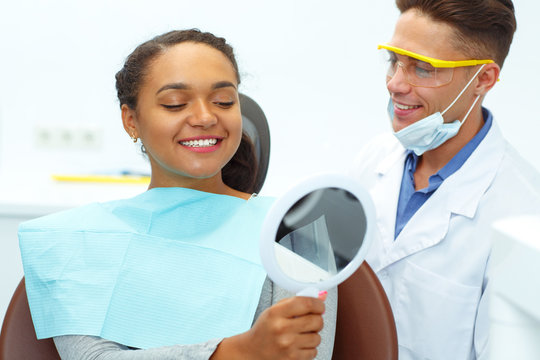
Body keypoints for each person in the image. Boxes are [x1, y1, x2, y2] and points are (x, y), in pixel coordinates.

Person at [19, 29, 336, 360]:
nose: (205, 117)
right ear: (131, 121)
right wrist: (235, 352)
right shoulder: (75, 241)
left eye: (224, 101)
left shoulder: (296, 231)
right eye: (175, 103)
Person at [350, 1, 540, 359]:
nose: (395, 83)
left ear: (483, 79)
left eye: (423, 68)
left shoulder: (525, 213)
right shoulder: (374, 158)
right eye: (394, 61)